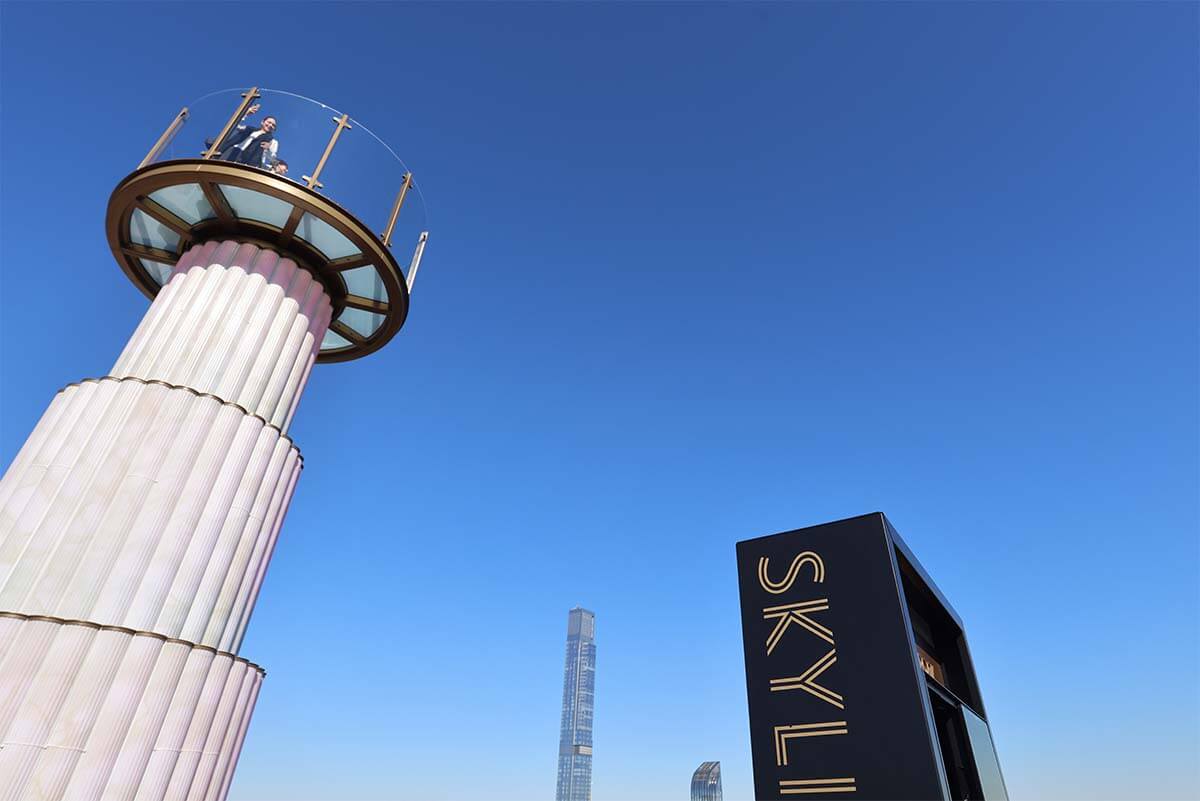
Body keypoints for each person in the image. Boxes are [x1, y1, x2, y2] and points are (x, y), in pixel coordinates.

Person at [215, 103, 278, 168]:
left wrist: (268, 149)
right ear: (262, 122)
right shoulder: (249, 129)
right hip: (233, 155)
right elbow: (234, 126)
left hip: (251, 164)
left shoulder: (272, 141)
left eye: (273, 125)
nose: (270, 125)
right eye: (269, 122)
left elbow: (272, 158)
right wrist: (246, 114)